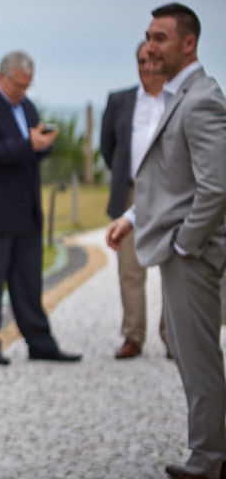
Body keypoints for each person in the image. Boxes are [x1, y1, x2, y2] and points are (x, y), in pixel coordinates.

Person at [106, 3, 226, 479]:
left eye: (159, 38)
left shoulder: (201, 100)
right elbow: (172, 179)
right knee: (188, 346)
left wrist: (184, 245)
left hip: (191, 253)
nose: (149, 48)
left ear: (188, 43)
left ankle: (207, 461)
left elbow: (215, 187)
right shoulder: (176, 96)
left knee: (198, 358)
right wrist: (133, 216)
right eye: (148, 38)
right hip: (176, 242)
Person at [0, 51, 82, 365]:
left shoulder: (26, 106)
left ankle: (40, 342)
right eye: (18, 85)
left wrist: (42, 144)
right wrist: (29, 145)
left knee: (29, 282)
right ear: (2, 76)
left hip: (26, 213)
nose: (23, 92)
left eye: (28, 85)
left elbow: (29, 148)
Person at [100, 41, 169, 359]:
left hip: (171, 193)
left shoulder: (178, 100)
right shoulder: (120, 101)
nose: (146, 66)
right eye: (141, 60)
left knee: (173, 266)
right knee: (129, 268)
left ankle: (174, 336)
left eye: (152, 60)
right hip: (130, 190)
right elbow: (108, 146)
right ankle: (133, 335)